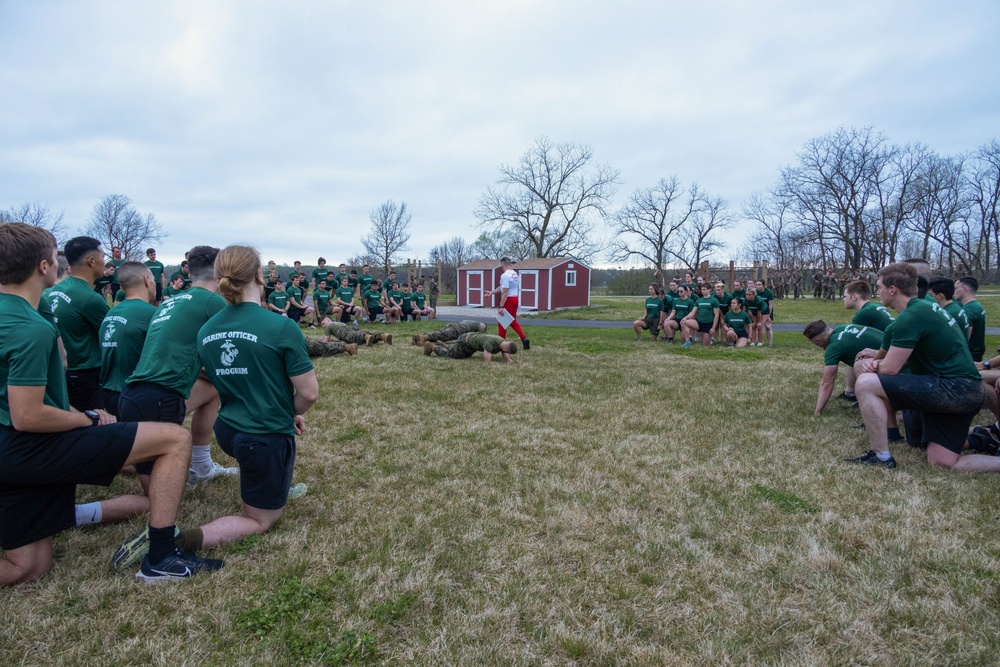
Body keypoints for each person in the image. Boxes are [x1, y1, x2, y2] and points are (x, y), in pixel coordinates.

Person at [0, 223, 221, 586]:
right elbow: (28, 416)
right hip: (27, 447)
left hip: (14, 449)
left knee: (30, 567)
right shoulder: (32, 328)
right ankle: (162, 557)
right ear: (43, 266)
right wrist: (86, 420)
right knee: (171, 438)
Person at [120, 246, 319, 562]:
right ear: (258, 275)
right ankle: (175, 539)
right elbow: (308, 394)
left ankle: (256, 475)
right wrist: (290, 411)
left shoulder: (207, 330)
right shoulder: (281, 326)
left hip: (227, 431)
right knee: (260, 519)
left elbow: (216, 378)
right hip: (262, 436)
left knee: (255, 461)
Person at [118, 245, 237, 494]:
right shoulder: (212, 302)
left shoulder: (170, 302)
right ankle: (80, 513)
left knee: (212, 386)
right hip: (160, 400)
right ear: (220, 273)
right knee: (158, 500)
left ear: (190, 274)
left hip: (132, 395)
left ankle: (202, 466)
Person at [850, 263, 992, 471]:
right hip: (965, 389)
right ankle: (985, 438)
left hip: (954, 389)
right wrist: (879, 362)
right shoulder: (925, 307)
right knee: (940, 460)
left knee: (866, 383)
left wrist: (870, 366)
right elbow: (904, 359)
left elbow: (890, 369)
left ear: (893, 289)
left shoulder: (910, 316)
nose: (877, 291)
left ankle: (881, 455)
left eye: (879, 286)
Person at [48, 236, 111, 411]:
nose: (104, 262)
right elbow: (111, 337)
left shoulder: (52, 292)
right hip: (83, 377)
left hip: (56, 372)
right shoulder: (90, 299)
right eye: (103, 257)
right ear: (91, 261)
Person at [98, 262, 157, 417]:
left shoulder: (111, 313)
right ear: (146, 280)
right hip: (137, 395)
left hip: (109, 394)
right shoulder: (152, 314)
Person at [803, 320, 884, 417]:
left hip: (895, 367)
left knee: (860, 365)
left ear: (818, 341)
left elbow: (827, 382)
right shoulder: (843, 327)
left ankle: (875, 412)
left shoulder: (834, 347)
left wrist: (817, 411)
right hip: (899, 355)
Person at [485, 257, 530, 350]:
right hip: (515, 299)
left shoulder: (505, 275)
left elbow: (504, 292)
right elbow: (502, 287)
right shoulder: (515, 274)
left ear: (502, 264)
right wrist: (492, 292)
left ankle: (500, 343)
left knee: (502, 322)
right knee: (512, 321)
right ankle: (524, 339)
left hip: (508, 300)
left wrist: (501, 306)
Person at [424, 332, 518, 363]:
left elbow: (505, 353)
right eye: (508, 352)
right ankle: (431, 346)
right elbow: (487, 361)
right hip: (465, 341)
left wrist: (509, 361)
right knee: (453, 355)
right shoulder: (490, 344)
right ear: (506, 349)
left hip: (472, 342)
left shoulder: (502, 342)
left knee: (465, 356)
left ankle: (443, 344)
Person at [954, 276, 986, 362]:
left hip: (970, 354)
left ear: (964, 289)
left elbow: (965, 337)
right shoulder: (977, 306)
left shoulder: (969, 310)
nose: (954, 292)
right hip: (977, 351)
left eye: (956, 288)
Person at [412, 320, 486, 345]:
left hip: (454, 324)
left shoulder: (473, 322)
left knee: (440, 333)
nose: (483, 331)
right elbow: (479, 338)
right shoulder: (479, 326)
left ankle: (418, 338)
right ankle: (423, 337)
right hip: (459, 329)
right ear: (483, 327)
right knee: (442, 335)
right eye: (484, 330)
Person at [322, 320, 391, 347]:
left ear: (328, 320)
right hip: (350, 327)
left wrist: (322, 342)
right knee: (361, 333)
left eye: (323, 323)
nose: (323, 326)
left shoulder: (329, 326)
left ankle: (366, 337)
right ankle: (382, 336)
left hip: (342, 331)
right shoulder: (339, 322)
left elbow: (326, 340)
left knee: (354, 336)